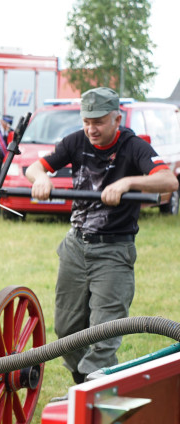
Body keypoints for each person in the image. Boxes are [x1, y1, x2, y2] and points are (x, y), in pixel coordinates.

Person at [25, 87, 178, 383]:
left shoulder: (134, 147)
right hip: (75, 246)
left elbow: (168, 180)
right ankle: (84, 387)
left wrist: (127, 184)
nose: (91, 129)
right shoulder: (76, 141)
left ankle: (91, 397)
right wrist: (42, 178)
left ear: (116, 119)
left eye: (99, 122)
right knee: (66, 330)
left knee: (104, 334)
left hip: (114, 251)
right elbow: (35, 167)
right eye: (87, 121)